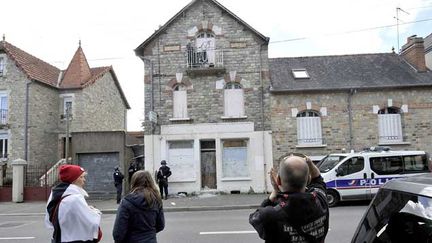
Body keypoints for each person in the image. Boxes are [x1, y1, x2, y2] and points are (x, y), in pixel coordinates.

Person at [249, 154, 329, 243]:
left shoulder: (269, 215)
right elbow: (318, 179)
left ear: (278, 180)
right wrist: (308, 162)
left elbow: (254, 218)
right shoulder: (320, 200)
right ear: (308, 179)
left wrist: (275, 191)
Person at [45, 164, 102, 243]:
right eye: (81, 177)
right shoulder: (75, 198)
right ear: (74, 179)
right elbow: (92, 222)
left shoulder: (55, 194)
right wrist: (95, 211)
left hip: (59, 238)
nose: (84, 180)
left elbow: (49, 221)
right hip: (75, 239)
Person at [112, 170, 165, 243]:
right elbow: (160, 225)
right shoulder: (156, 200)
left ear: (134, 182)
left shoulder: (126, 202)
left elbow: (118, 233)